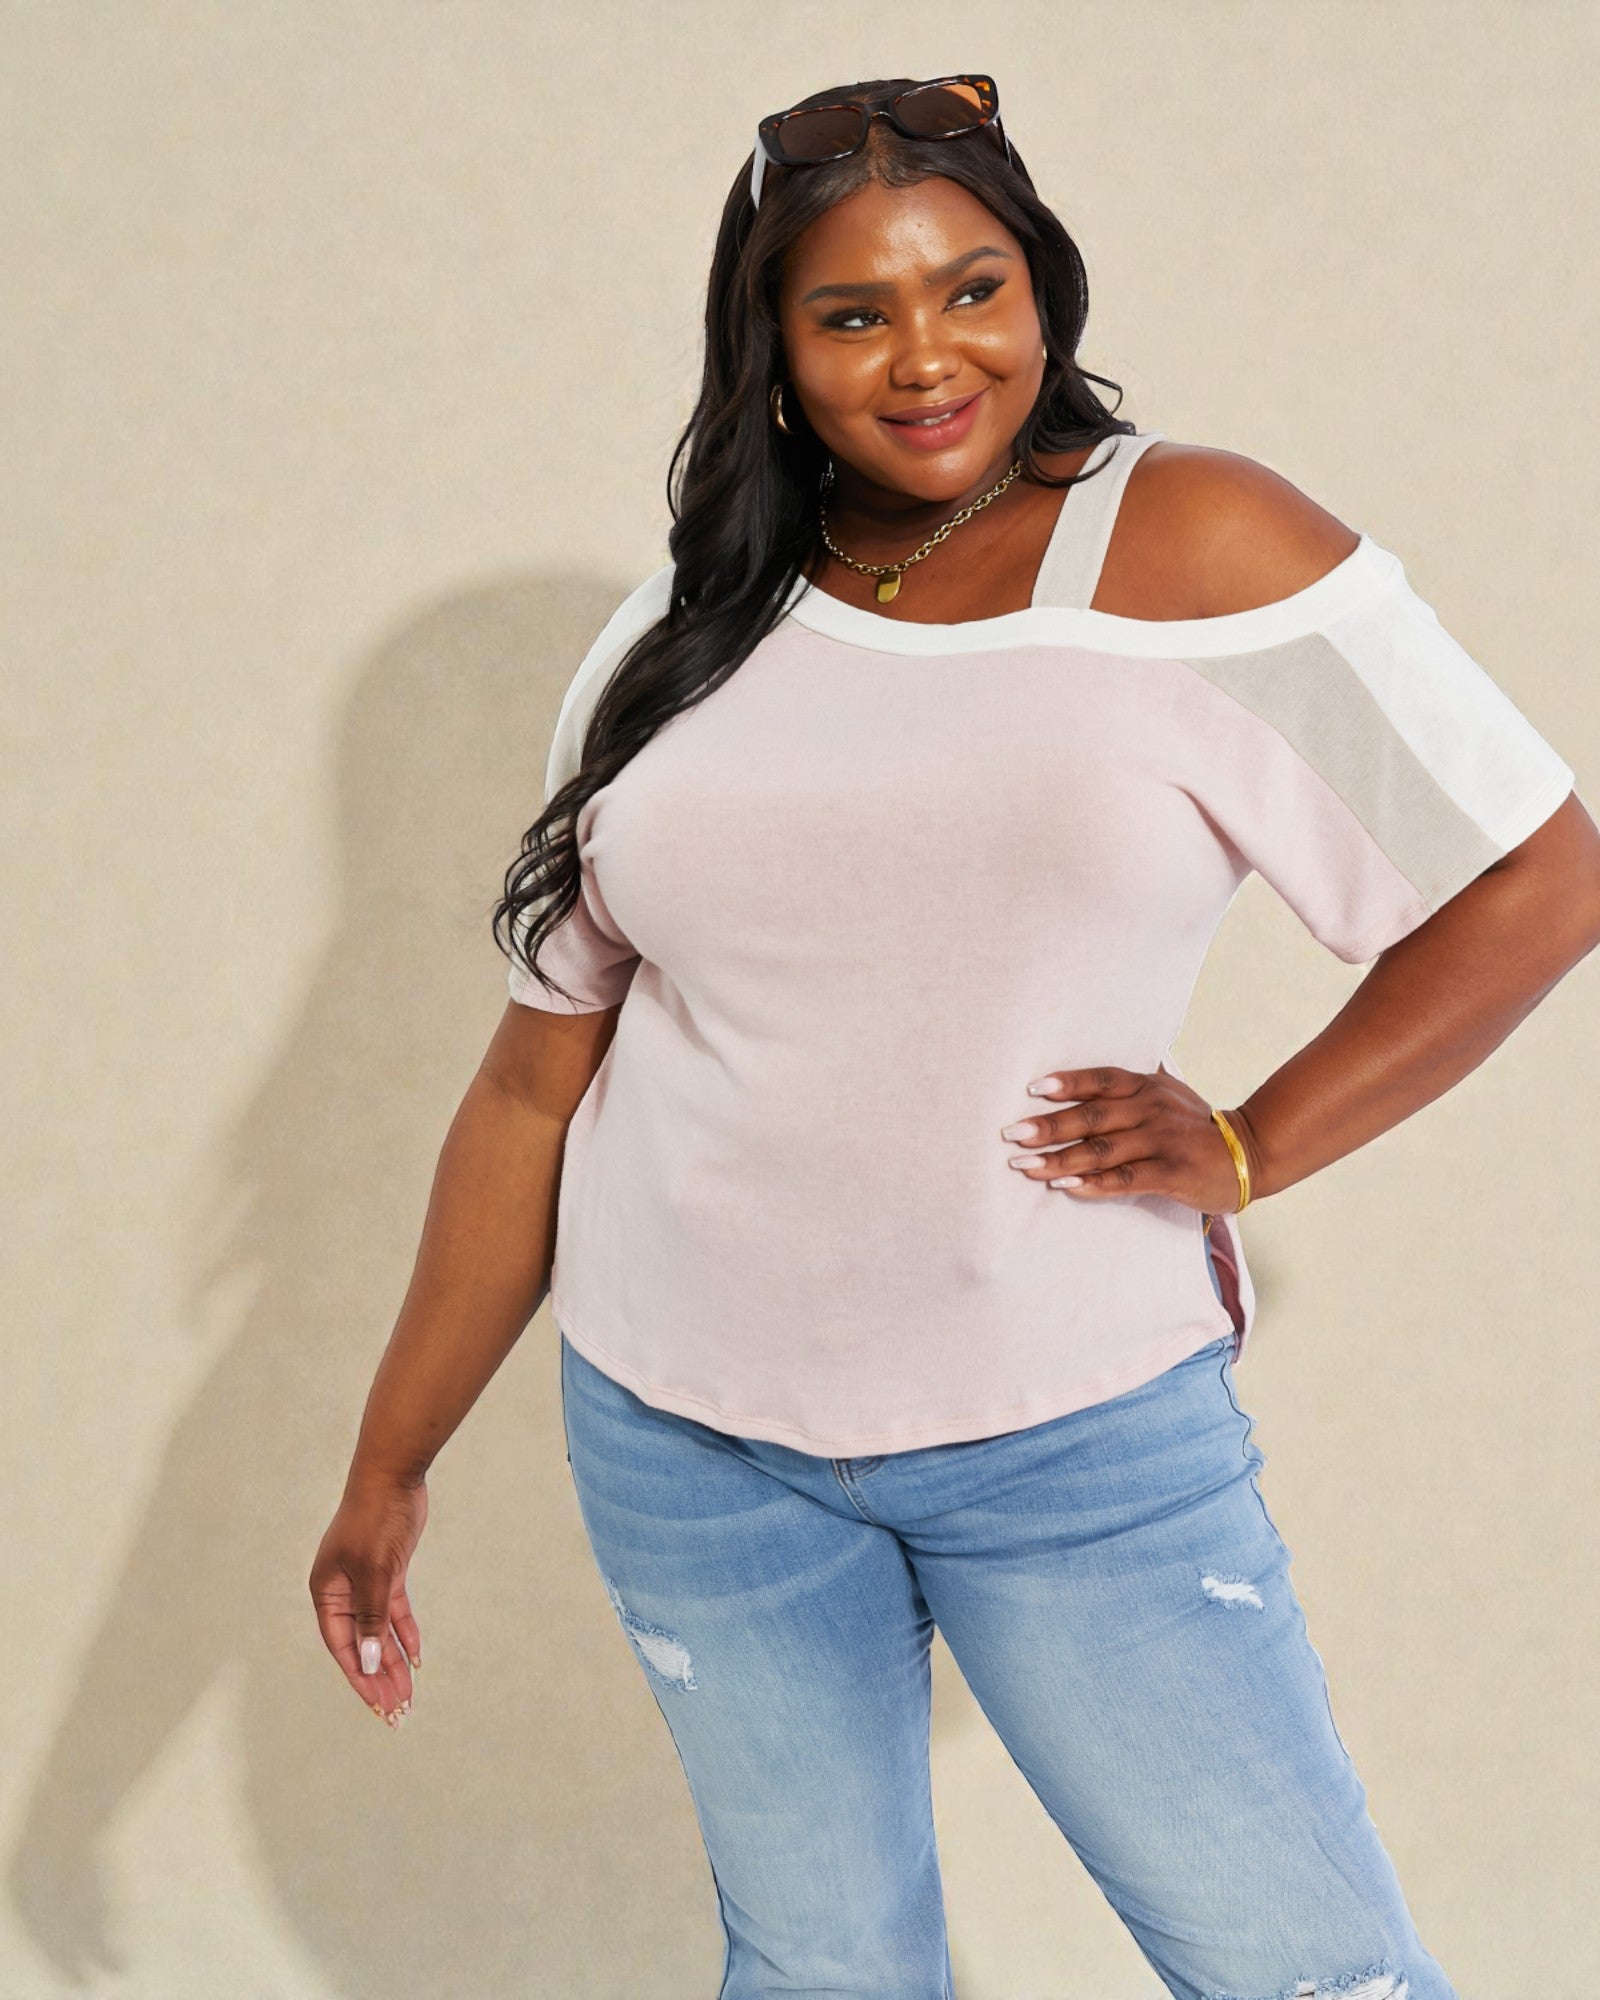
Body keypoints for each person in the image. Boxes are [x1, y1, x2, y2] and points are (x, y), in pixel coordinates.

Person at [309, 74, 1600, 2000]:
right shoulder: (689, 623)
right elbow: (531, 1083)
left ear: (1043, 294)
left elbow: (1540, 874)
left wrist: (1252, 1139)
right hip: (685, 1436)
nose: (929, 358)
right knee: (822, 1971)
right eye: (853, 314)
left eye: (973, 287)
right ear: (770, 353)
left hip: (1069, 1434)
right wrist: (389, 1460)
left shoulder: (1200, 542)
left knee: (1304, 1973)